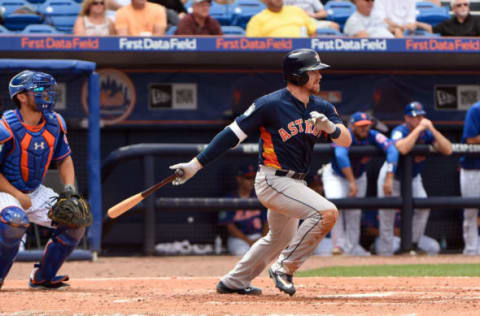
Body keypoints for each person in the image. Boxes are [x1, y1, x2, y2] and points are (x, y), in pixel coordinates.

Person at [169, 48, 351, 296]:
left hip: (298, 184)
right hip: (273, 180)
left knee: (279, 239)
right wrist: (194, 165)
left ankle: (234, 281)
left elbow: (346, 141)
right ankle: (284, 268)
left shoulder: (323, 107)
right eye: (314, 72)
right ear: (297, 75)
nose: (320, 76)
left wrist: (331, 128)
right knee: (326, 212)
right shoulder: (270, 104)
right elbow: (230, 136)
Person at [0, 70, 86, 290]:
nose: (47, 94)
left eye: (49, 90)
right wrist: (17, 195)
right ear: (21, 96)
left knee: (75, 219)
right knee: (14, 221)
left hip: (34, 191)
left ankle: (43, 276)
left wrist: (69, 190)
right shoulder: (5, 127)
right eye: (39, 90)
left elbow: (64, 159)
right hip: (5, 192)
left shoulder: (55, 123)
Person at [375, 101, 451, 256]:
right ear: (407, 118)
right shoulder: (399, 130)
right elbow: (402, 148)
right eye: (415, 116)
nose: (419, 119)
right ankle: (386, 252)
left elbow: (448, 149)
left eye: (421, 116)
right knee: (387, 214)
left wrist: (432, 129)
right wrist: (419, 129)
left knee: (423, 206)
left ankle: (413, 244)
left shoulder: (427, 133)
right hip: (393, 176)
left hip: (413, 178)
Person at [322, 112, 398, 256]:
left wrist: (389, 178)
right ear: (352, 126)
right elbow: (340, 156)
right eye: (361, 126)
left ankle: (351, 248)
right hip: (336, 175)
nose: (364, 129)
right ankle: (338, 246)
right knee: (335, 208)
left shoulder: (373, 135)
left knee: (355, 212)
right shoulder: (344, 134)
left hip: (359, 175)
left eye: (367, 126)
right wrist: (352, 182)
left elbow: (392, 150)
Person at [218, 164, 268, 256]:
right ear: (239, 179)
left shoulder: (260, 196)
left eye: (254, 177)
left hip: (258, 236)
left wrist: (262, 239)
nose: (252, 181)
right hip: (239, 239)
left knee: (265, 254)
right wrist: (249, 241)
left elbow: (267, 222)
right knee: (242, 253)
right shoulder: (230, 198)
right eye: (248, 178)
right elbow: (229, 226)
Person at [459, 100, 480, 255]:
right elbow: (470, 139)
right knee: (471, 211)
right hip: (474, 169)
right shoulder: (476, 109)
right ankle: (471, 251)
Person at [246, 0, 317, 38]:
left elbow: (313, 32)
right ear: (265, 1)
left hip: (301, 53)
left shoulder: (296, 10)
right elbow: (252, 43)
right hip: (271, 56)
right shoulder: (257, 19)